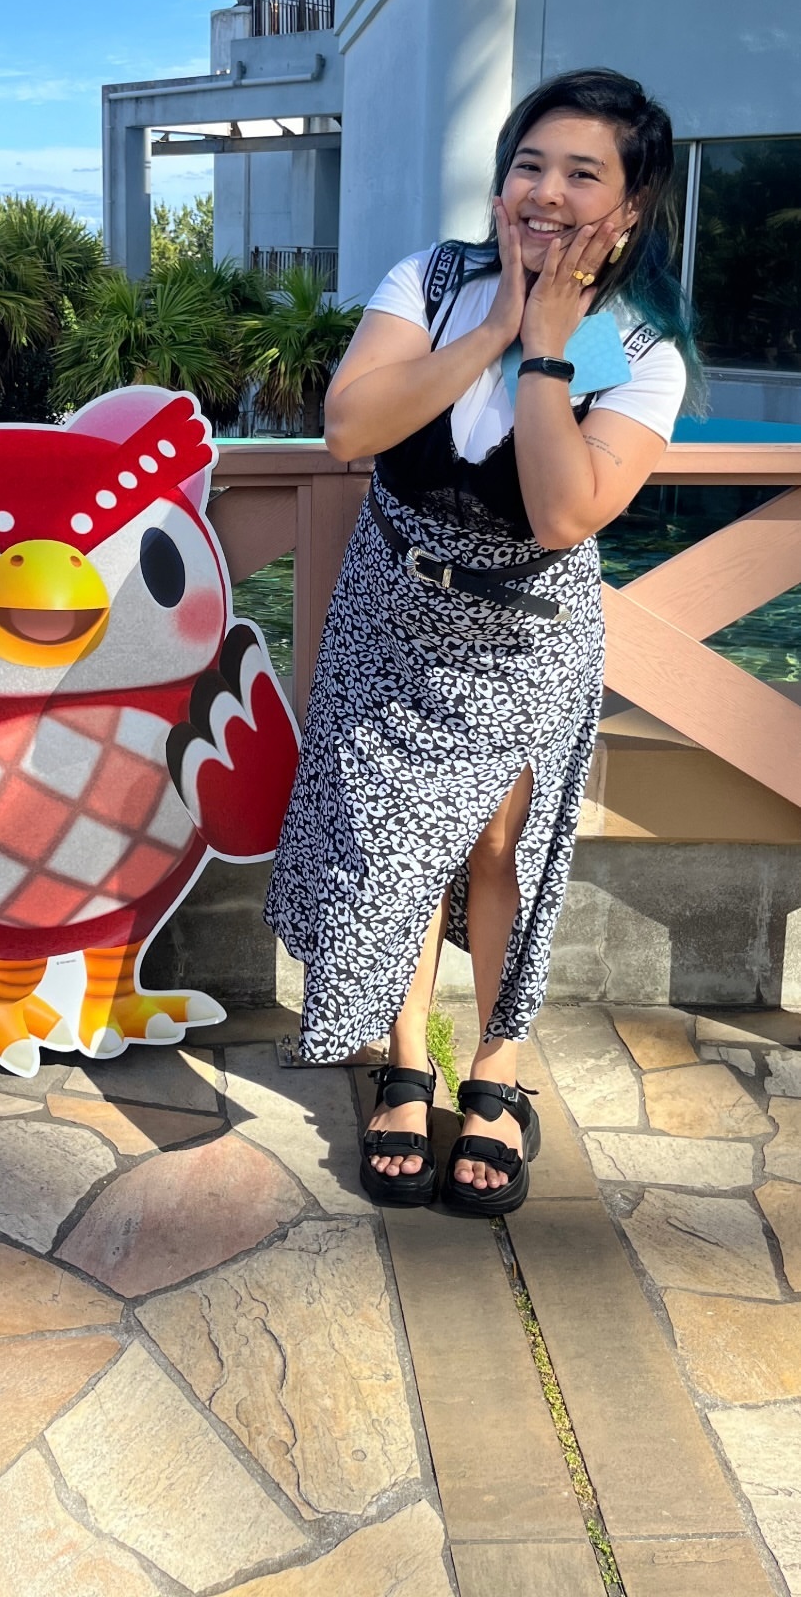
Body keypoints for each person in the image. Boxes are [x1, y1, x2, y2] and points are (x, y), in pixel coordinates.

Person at [265, 69, 699, 1216]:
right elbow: (351, 426)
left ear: (631, 206)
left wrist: (547, 350)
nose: (545, 191)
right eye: (528, 164)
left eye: (581, 173)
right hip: (391, 608)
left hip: (523, 636)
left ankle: (497, 1073)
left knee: (500, 851)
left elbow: (562, 514)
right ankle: (408, 1067)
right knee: (395, 849)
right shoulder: (431, 282)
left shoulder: (645, 352)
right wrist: (501, 324)